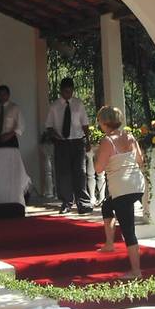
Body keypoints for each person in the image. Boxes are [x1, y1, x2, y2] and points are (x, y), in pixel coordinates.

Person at [94, 106, 146, 279]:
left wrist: (97, 155)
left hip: (122, 188)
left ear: (104, 122)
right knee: (107, 206)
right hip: (137, 185)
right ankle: (109, 243)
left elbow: (99, 168)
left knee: (128, 230)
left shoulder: (107, 141)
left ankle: (136, 271)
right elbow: (140, 160)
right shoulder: (129, 136)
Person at [44, 77, 92, 214]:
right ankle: (66, 202)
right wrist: (55, 136)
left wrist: (88, 141)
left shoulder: (78, 104)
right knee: (64, 173)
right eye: (65, 91)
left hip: (77, 142)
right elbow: (48, 126)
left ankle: (83, 203)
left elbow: (85, 124)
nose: (68, 94)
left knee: (80, 172)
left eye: (70, 91)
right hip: (62, 143)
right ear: (61, 91)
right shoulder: (54, 106)